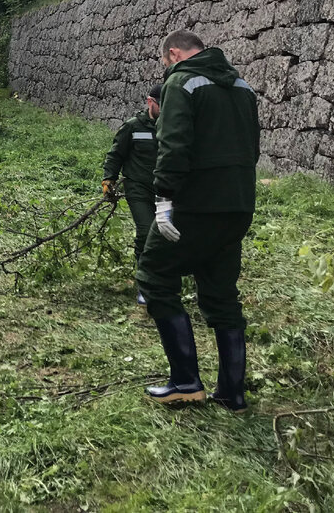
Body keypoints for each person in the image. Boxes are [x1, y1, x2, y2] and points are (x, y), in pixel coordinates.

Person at [136, 29, 259, 411]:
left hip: (194, 205)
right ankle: (232, 392)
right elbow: (252, 146)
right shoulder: (242, 86)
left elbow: (173, 143)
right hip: (238, 205)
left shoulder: (182, 82)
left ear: (173, 54)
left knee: (154, 277)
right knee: (221, 293)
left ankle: (186, 381)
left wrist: (163, 199)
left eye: (165, 62)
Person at [102, 84, 163, 305]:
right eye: (161, 105)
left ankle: (162, 280)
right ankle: (145, 286)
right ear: (150, 102)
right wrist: (109, 178)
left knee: (165, 234)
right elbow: (116, 154)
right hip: (137, 188)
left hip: (165, 190)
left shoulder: (173, 127)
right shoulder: (133, 126)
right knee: (147, 232)